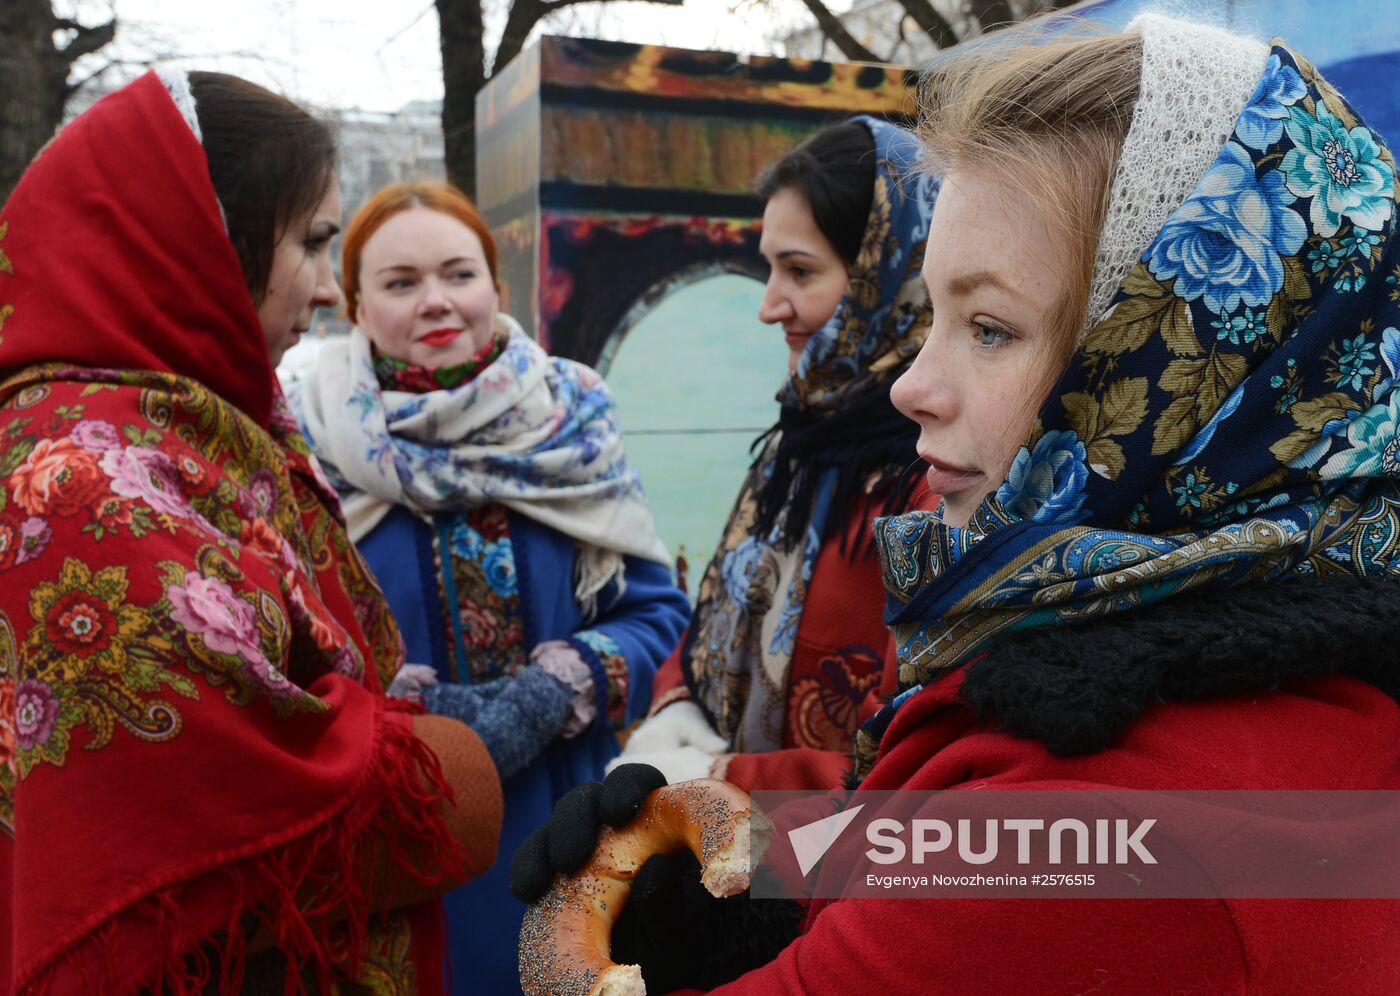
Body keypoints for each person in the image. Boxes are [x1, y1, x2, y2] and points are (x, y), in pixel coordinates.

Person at [514, 13, 1400, 991]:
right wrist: (732, 864)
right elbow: (950, 842)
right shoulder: (1185, 667)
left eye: (986, 326)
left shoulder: (1111, 829)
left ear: (1186, 358)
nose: (910, 387)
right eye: (931, 316)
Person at [0, 72, 503, 995]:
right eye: (313, 243)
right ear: (197, 241)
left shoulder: (185, 427)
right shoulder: (77, 478)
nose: (322, 288)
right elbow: (228, 807)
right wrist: (456, 768)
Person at [288, 180, 689, 992]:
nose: (436, 301)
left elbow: (654, 608)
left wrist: (558, 684)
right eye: (401, 283)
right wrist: (388, 701)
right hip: (388, 840)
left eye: (458, 274)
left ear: (496, 290)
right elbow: (281, 634)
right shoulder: (305, 440)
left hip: (565, 833)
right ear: (358, 308)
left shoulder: (572, 421)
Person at [615, 116, 936, 792]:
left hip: (826, 885)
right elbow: (723, 614)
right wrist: (676, 712)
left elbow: (900, 777)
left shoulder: (940, 483)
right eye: (770, 268)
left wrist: (715, 779)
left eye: (799, 271)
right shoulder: (803, 442)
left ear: (888, 274)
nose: (768, 306)